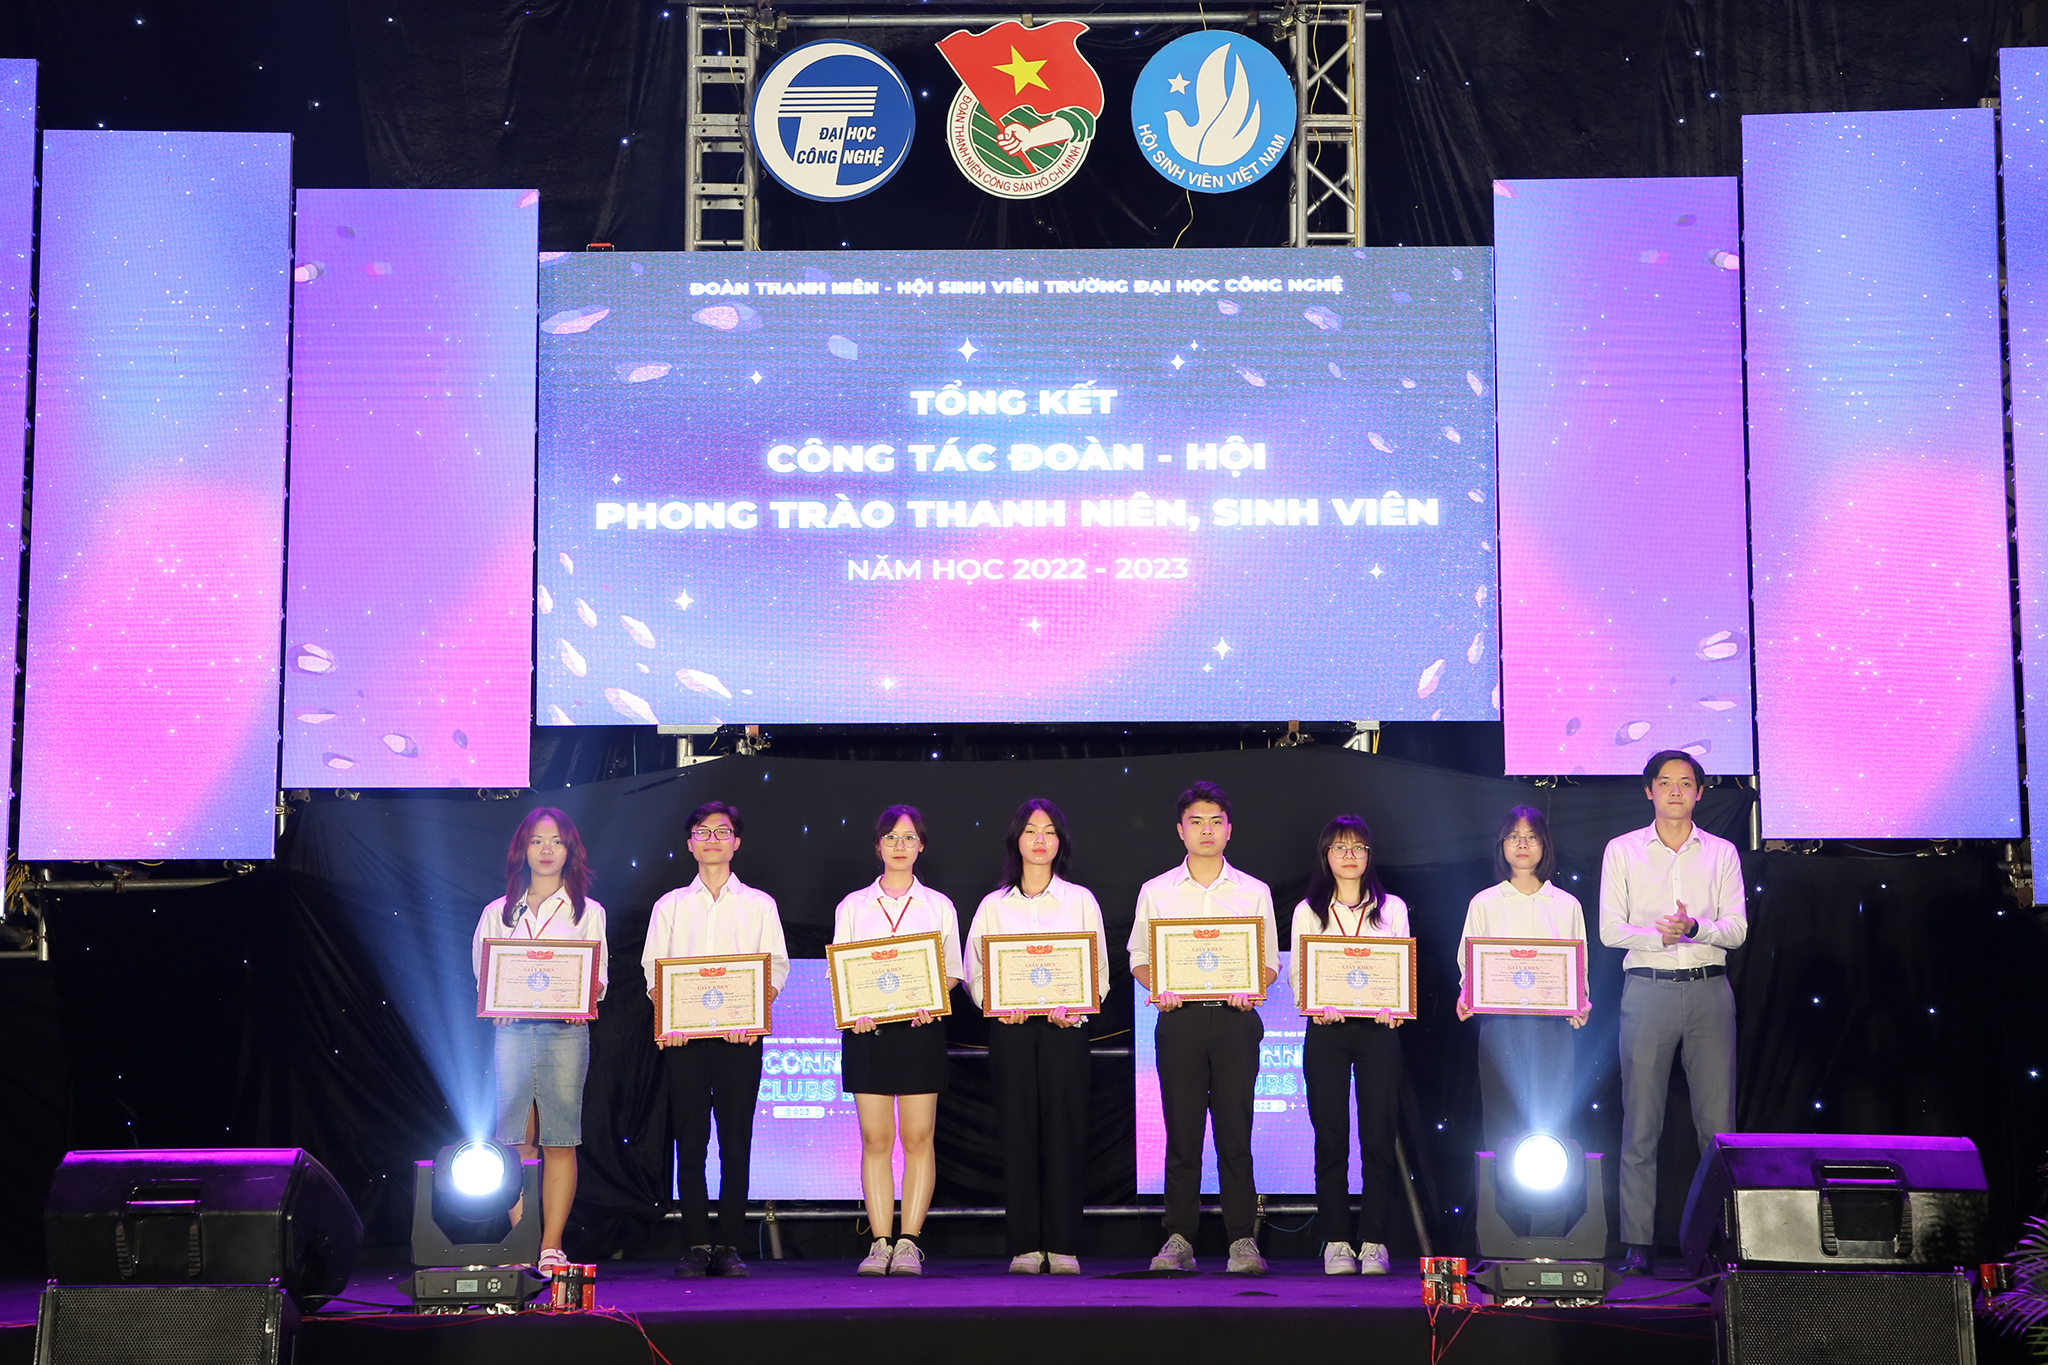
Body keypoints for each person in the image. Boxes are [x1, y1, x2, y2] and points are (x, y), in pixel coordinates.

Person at [1599, 751, 1748, 1275]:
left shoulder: (1722, 852)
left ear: (1700, 792)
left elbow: (1737, 929)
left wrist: (1695, 928)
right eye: (1665, 783)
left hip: (1709, 990)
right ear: (1649, 791)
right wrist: (1659, 937)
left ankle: (1720, 1241)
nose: (1676, 791)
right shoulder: (1622, 850)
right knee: (1641, 1123)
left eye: (1686, 783)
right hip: (1648, 988)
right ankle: (1638, 1243)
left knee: (1718, 1128)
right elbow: (1610, 930)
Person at [1129, 780, 1281, 1276]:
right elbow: (1138, 958)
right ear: (1181, 830)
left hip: (1237, 1020)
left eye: (1216, 821)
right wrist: (1161, 986)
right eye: (1196, 822)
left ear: (1229, 829)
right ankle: (1179, 1239)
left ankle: (1242, 1239)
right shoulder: (1155, 890)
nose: (1206, 830)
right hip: (1179, 1022)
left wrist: (1251, 986)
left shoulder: (1254, 890)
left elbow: (1269, 963)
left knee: (1236, 1134)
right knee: (1182, 1135)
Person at [641, 800, 789, 1280]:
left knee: (735, 1142)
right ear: (689, 843)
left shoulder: (759, 904)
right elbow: (653, 971)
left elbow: (776, 967)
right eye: (702, 832)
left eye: (722, 831)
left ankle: (729, 1245)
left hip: (739, 1040)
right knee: (689, 1143)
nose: (712, 839)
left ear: (736, 842)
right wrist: (670, 1017)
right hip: (683, 1041)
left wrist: (752, 1012)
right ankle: (695, 1244)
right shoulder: (670, 905)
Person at [964, 798, 1110, 1276]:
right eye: (1030, 830)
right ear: (1017, 840)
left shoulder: (1080, 901)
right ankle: (1025, 1245)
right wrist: (994, 1004)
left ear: (1060, 841)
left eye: (1049, 831)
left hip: (1065, 1032)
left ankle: (1063, 1244)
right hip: (1011, 1032)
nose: (1040, 839)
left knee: (1065, 1134)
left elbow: (1099, 973)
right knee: (1018, 1134)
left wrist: (1079, 1007)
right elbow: (974, 972)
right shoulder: (993, 906)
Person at [470, 807, 607, 1275]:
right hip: (512, 1032)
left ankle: (551, 1247)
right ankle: (522, 1244)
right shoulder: (498, 912)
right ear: (522, 850)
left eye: (556, 841)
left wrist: (582, 997)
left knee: (560, 1139)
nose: (546, 850)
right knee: (516, 1141)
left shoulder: (587, 911)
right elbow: (483, 972)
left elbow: (599, 976)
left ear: (570, 850)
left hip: (566, 1033)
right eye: (537, 841)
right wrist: (496, 999)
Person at [832, 805, 963, 1277]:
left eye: (908, 838)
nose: (900, 846)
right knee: (875, 1138)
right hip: (867, 1033)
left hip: (919, 1030)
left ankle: (909, 1242)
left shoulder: (938, 905)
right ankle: (879, 1242)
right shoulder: (852, 906)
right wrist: (856, 1009)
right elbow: (842, 971)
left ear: (921, 845)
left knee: (918, 1137)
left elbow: (953, 971)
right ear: (878, 846)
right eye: (891, 837)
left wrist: (932, 998)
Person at [1457, 805, 1590, 1233]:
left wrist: (1580, 1003)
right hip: (1502, 1028)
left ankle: (1547, 1234)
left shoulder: (1566, 904)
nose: (1522, 844)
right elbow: (1469, 963)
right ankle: (1504, 1234)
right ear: (1501, 846)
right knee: (1501, 1128)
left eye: (1531, 837)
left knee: (1552, 1124)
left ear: (1544, 845)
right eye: (1513, 836)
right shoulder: (1485, 902)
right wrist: (1467, 995)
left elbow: (1578, 966)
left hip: (1552, 1030)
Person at [1292, 815, 1409, 1276]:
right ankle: (1337, 1241)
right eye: (1340, 847)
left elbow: (1401, 968)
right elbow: (1300, 974)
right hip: (1327, 1031)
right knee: (1331, 1139)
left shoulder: (1391, 908)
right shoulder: (1309, 911)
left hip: (1379, 1031)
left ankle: (1375, 1241)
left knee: (1378, 1136)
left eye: (1358, 847)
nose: (1349, 856)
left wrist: (1395, 1006)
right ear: (1326, 855)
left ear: (1369, 855)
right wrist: (1314, 1004)